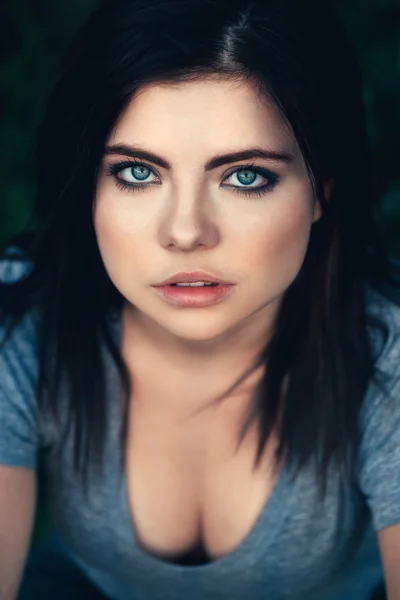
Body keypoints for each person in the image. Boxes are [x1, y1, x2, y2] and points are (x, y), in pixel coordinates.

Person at [0, 0, 399, 598]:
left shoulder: (386, 351)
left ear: (322, 193)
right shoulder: (24, 318)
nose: (186, 231)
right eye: (137, 173)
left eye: (244, 176)